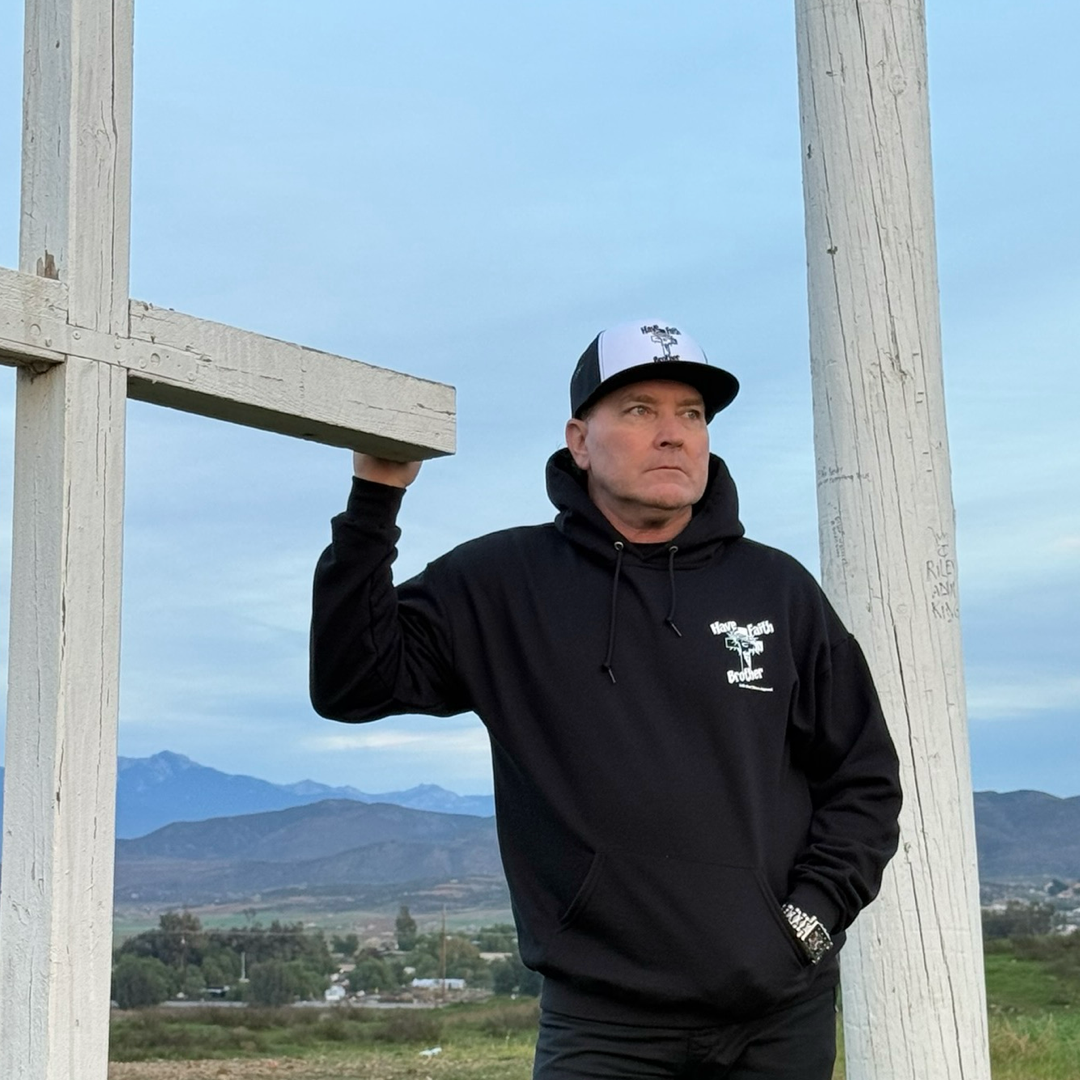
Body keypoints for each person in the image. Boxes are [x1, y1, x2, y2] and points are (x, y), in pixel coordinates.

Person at [310, 320, 902, 1079]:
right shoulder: (503, 584)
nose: (673, 434)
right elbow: (352, 682)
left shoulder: (777, 590)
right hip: (605, 1028)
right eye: (638, 410)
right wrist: (374, 500)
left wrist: (811, 921)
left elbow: (863, 776)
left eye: (691, 413)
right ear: (579, 440)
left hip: (776, 1016)